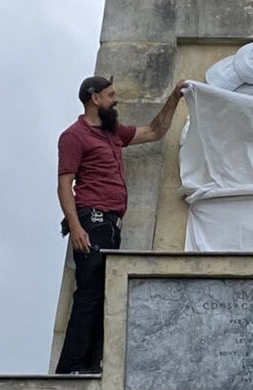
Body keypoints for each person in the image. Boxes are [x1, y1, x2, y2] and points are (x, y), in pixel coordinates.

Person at [55, 75, 190, 374]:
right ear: (94, 98)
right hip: (93, 220)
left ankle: (91, 366)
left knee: (105, 292)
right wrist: (77, 228)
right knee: (90, 292)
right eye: (111, 94)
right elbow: (64, 186)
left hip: (112, 225)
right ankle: (70, 368)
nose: (115, 100)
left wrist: (174, 96)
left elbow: (155, 131)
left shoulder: (112, 133)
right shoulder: (73, 136)